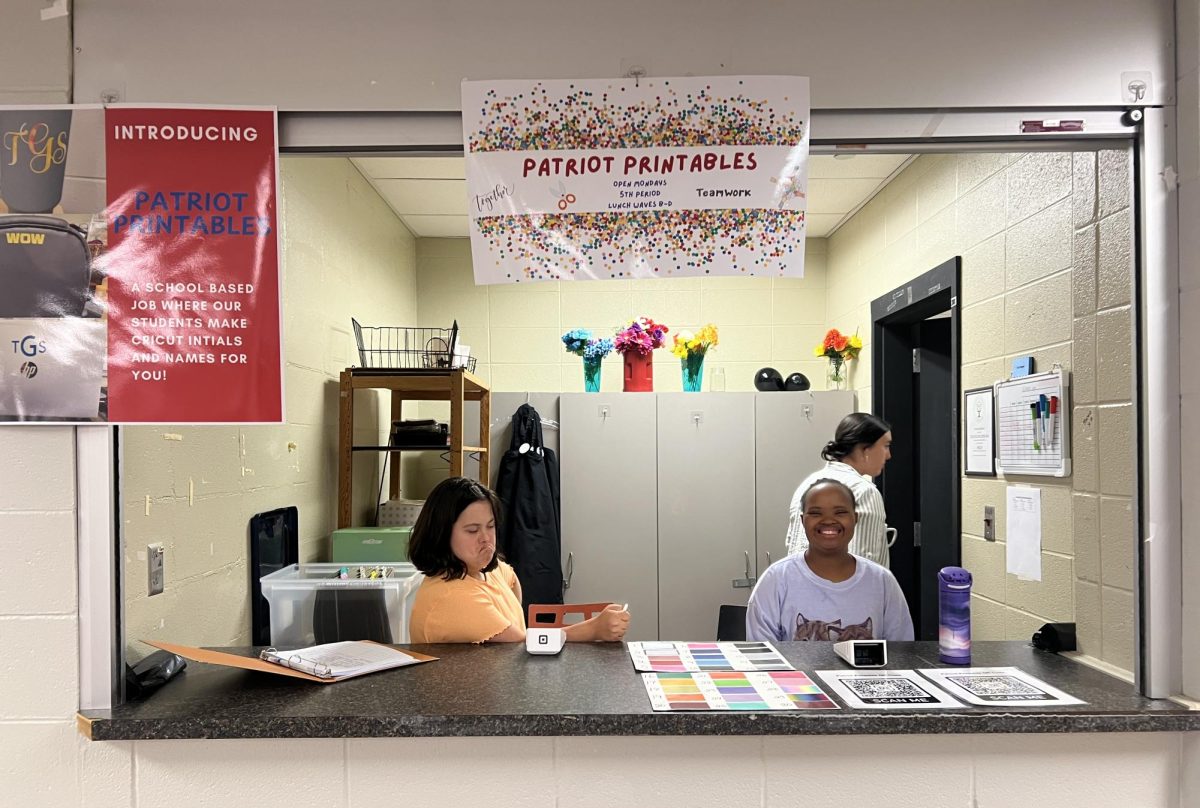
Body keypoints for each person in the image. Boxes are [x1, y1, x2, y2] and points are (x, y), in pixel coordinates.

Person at [408, 477, 630, 643]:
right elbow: (524, 644)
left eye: (491, 526)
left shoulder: (483, 570)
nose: (486, 538)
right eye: (473, 530)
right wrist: (594, 629)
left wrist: (513, 616)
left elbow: (511, 578)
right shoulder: (453, 596)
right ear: (441, 534)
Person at [748, 478, 913, 642]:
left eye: (840, 512)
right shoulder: (775, 580)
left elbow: (901, 654)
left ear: (855, 518)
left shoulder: (882, 581)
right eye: (815, 513)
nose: (828, 520)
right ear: (802, 520)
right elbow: (762, 657)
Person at [785, 412, 893, 567]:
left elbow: (792, 549)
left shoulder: (808, 485)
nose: (888, 455)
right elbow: (863, 565)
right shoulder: (864, 491)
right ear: (865, 450)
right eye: (885, 446)